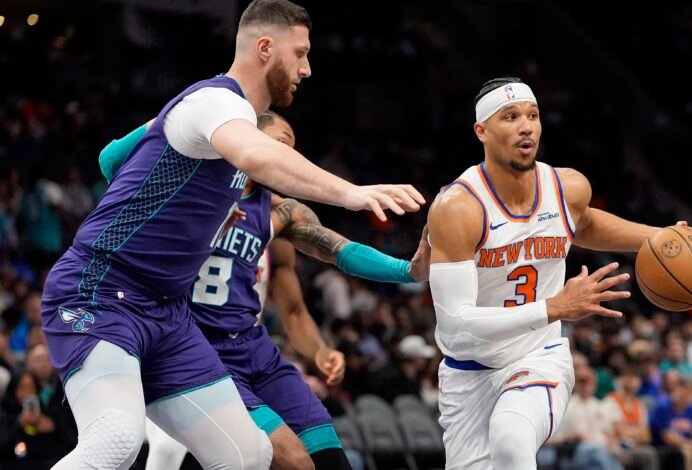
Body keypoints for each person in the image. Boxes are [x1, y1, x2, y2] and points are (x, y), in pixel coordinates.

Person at [40, 1, 425, 468]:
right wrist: (351, 193)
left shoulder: (204, 113)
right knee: (118, 440)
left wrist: (186, 205)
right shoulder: (216, 102)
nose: (307, 68)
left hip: (169, 313)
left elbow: (111, 159)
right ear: (265, 48)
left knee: (248, 454)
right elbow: (257, 155)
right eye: (300, 53)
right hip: (101, 292)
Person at [101, 111, 430, 470]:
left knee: (329, 457)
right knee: (289, 460)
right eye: (281, 143)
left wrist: (407, 271)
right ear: (245, 138)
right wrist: (185, 109)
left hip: (253, 346)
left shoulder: (281, 211)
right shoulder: (191, 186)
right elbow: (112, 163)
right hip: (196, 347)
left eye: (292, 149)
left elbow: (339, 250)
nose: (287, 156)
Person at [426, 76, 692, 469]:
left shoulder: (567, 187)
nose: (526, 126)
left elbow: (585, 223)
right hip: (467, 373)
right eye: (510, 117)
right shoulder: (458, 208)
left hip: (537, 356)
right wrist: (553, 307)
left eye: (532, 115)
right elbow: (455, 324)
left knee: (511, 437)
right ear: (482, 131)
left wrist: (663, 237)